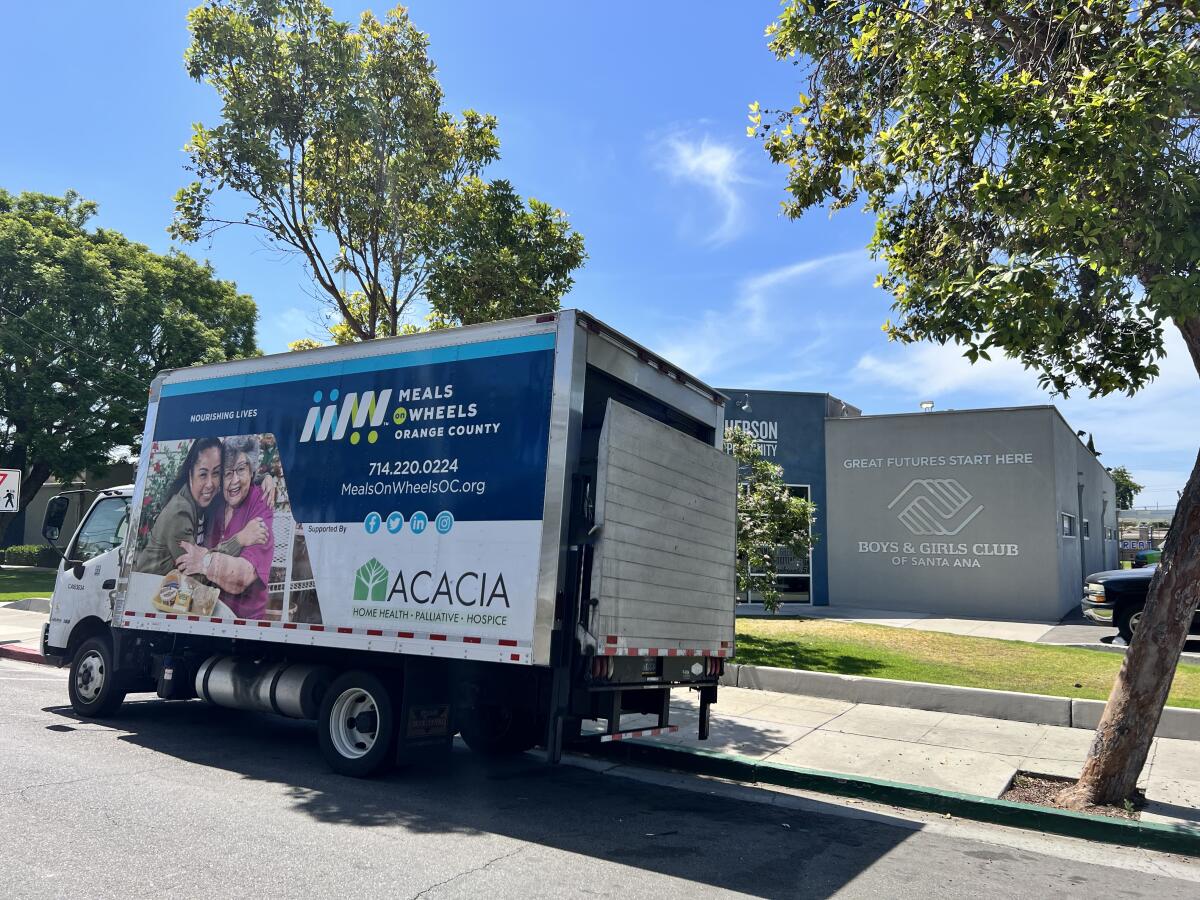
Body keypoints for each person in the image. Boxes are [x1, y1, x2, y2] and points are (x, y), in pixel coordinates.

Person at [176, 434, 274, 619]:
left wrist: (204, 561)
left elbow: (242, 576)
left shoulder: (260, 502)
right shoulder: (216, 501)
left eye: (240, 470)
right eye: (227, 473)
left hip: (241, 621)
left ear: (251, 471)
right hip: (205, 610)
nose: (234, 480)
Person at [136, 438, 223, 576]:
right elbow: (195, 577)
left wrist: (266, 478)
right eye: (203, 474)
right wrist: (239, 541)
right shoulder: (179, 512)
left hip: (171, 592)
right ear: (190, 474)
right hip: (151, 591)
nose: (210, 484)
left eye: (216, 473)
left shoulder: (204, 505)